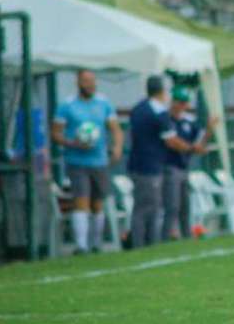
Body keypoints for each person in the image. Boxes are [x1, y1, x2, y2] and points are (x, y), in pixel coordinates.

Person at [51, 69, 124, 254]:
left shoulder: (103, 103)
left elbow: (115, 129)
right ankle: (81, 245)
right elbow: (56, 133)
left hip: (99, 161)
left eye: (92, 80)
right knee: (81, 200)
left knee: (98, 203)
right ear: (78, 82)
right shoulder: (67, 106)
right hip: (77, 161)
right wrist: (73, 143)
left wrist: (117, 147)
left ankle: (96, 242)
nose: (90, 84)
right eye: (86, 81)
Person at [128, 76, 199, 248]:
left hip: (137, 163)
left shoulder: (138, 108)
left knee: (145, 206)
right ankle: (146, 244)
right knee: (148, 208)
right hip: (150, 166)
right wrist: (190, 148)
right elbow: (171, 140)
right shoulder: (159, 112)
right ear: (162, 91)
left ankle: (146, 242)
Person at [161, 87, 215, 240]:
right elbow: (175, 143)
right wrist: (192, 148)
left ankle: (186, 237)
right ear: (174, 102)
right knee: (172, 206)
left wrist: (209, 129)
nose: (183, 106)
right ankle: (166, 238)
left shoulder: (188, 121)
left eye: (185, 103)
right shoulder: (166, 119)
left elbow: (200, 141)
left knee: (185, 206)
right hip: (170, 167)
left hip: (184, 167)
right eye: (180, 102)